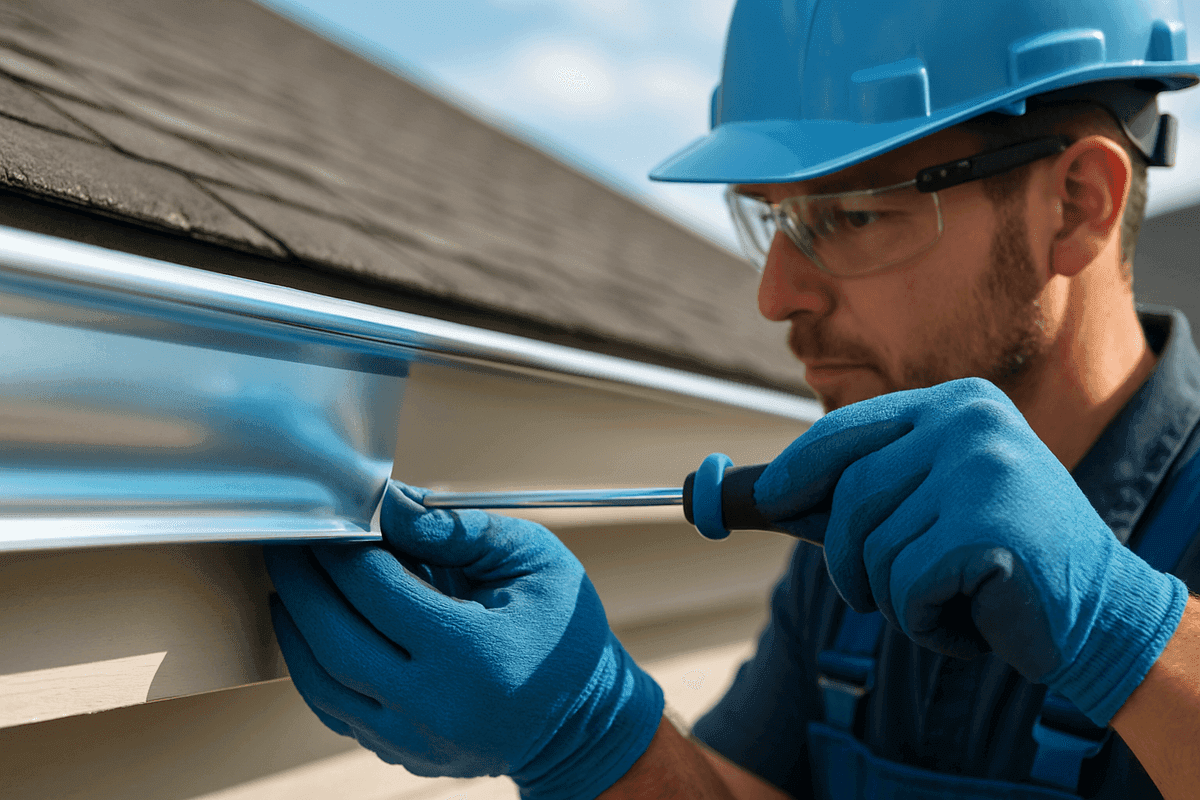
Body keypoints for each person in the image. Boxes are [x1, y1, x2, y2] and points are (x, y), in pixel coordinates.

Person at [263, 1, 1200, 798]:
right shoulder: (864, 537)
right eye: (774, 218)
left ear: (1076, 203)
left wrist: (1127, 635)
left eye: (850, 214)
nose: (775, 295)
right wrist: (590, 726)